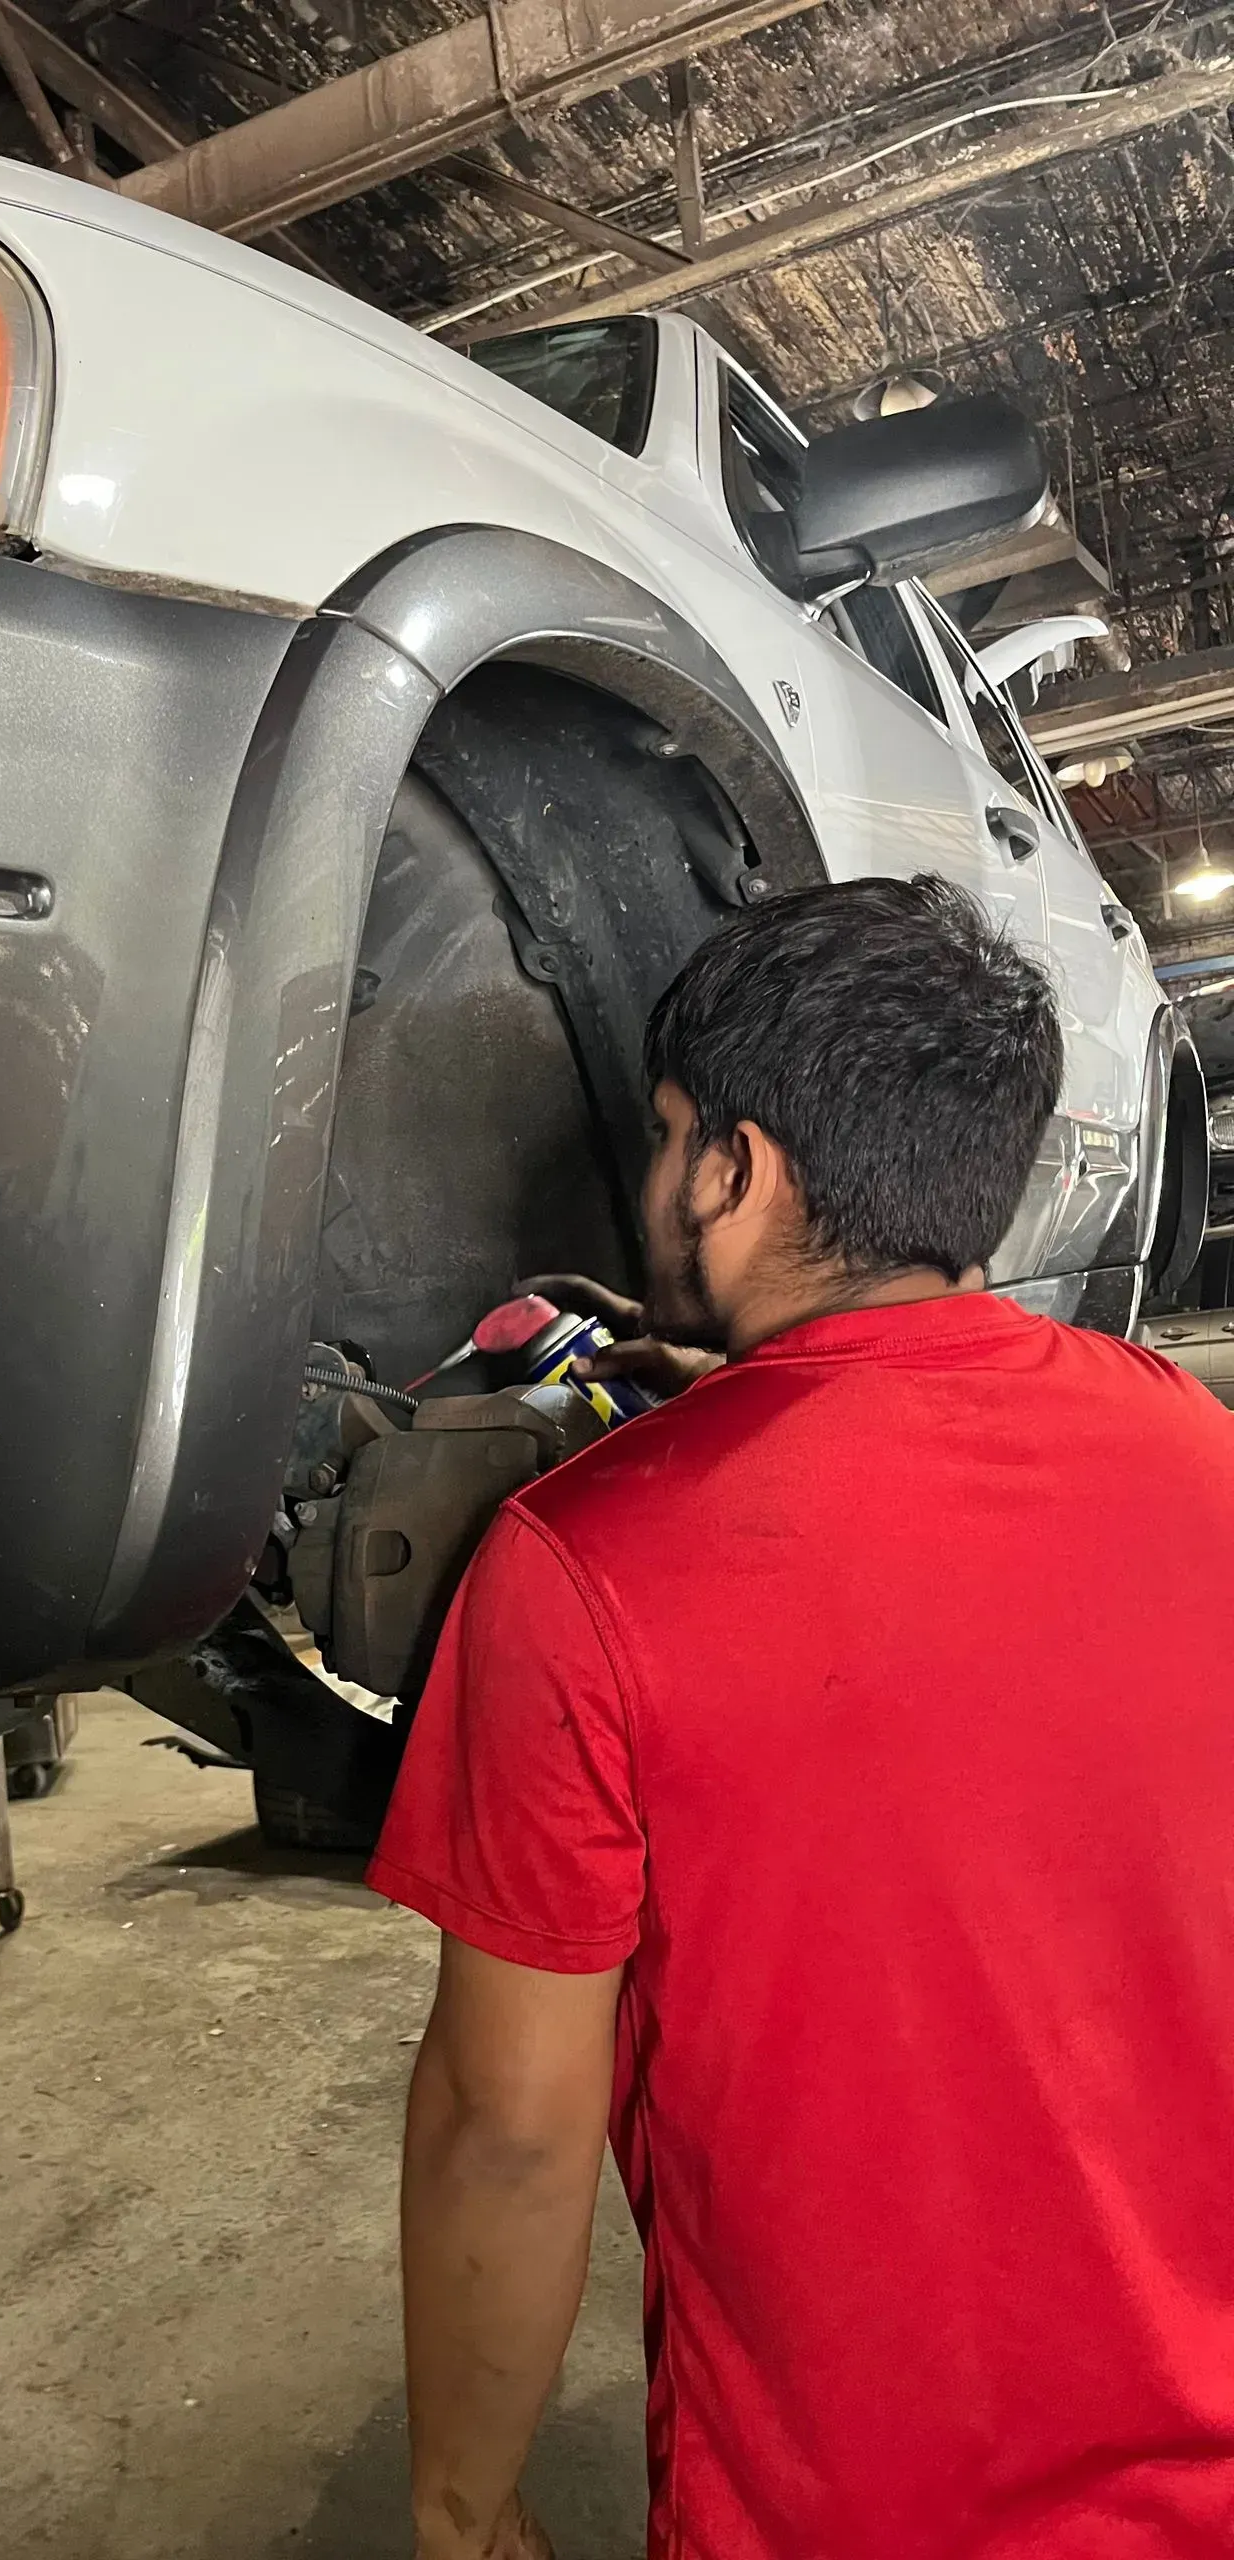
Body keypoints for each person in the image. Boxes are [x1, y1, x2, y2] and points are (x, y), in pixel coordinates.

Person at [368, 873, 1234, 2560]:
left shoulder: (581, 1573)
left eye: (670, 1135)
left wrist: (461, 2508)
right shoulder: (1201, 1453)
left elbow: (510, 2133)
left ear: (732, 1169)